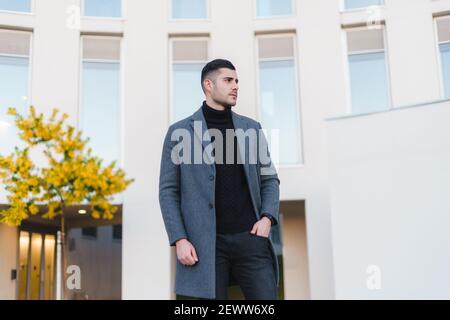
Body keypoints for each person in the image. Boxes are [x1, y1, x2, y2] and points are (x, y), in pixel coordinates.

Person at [159, 58, 280, 300]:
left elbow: (270, 179)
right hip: (205, 246)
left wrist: (267, 218)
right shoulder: (179, 132)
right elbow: (168, 191)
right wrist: (180, 239)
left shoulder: (251, 128)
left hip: (251, 239)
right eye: (228, 80)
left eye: (237, 81)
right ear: (208, 85)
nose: (235, 86)